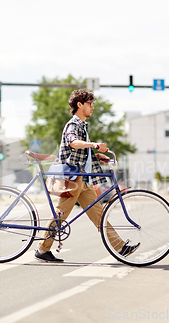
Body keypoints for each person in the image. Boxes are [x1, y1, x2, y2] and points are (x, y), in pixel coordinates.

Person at [35, 89, 140, 262]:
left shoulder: (82, 126)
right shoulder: (73, 125)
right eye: (90, 104)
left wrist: (95, 155)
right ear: (79, 105)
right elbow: (73, 143)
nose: (92, 107)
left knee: (99, 215)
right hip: (73, 178)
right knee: (60, 215)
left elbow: (80, 151)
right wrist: (94, 144)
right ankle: (42, 248)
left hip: (83, 179)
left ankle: (120, 247)